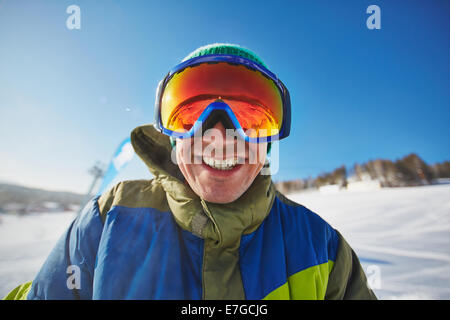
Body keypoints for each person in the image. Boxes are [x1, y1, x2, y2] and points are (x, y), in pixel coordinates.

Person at [4, 43, 376, 300]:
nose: (218, 135)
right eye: (190, 113)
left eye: (249, 116)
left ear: (269, 143)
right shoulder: (107, 223)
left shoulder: (321, 249)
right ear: (170, 138)